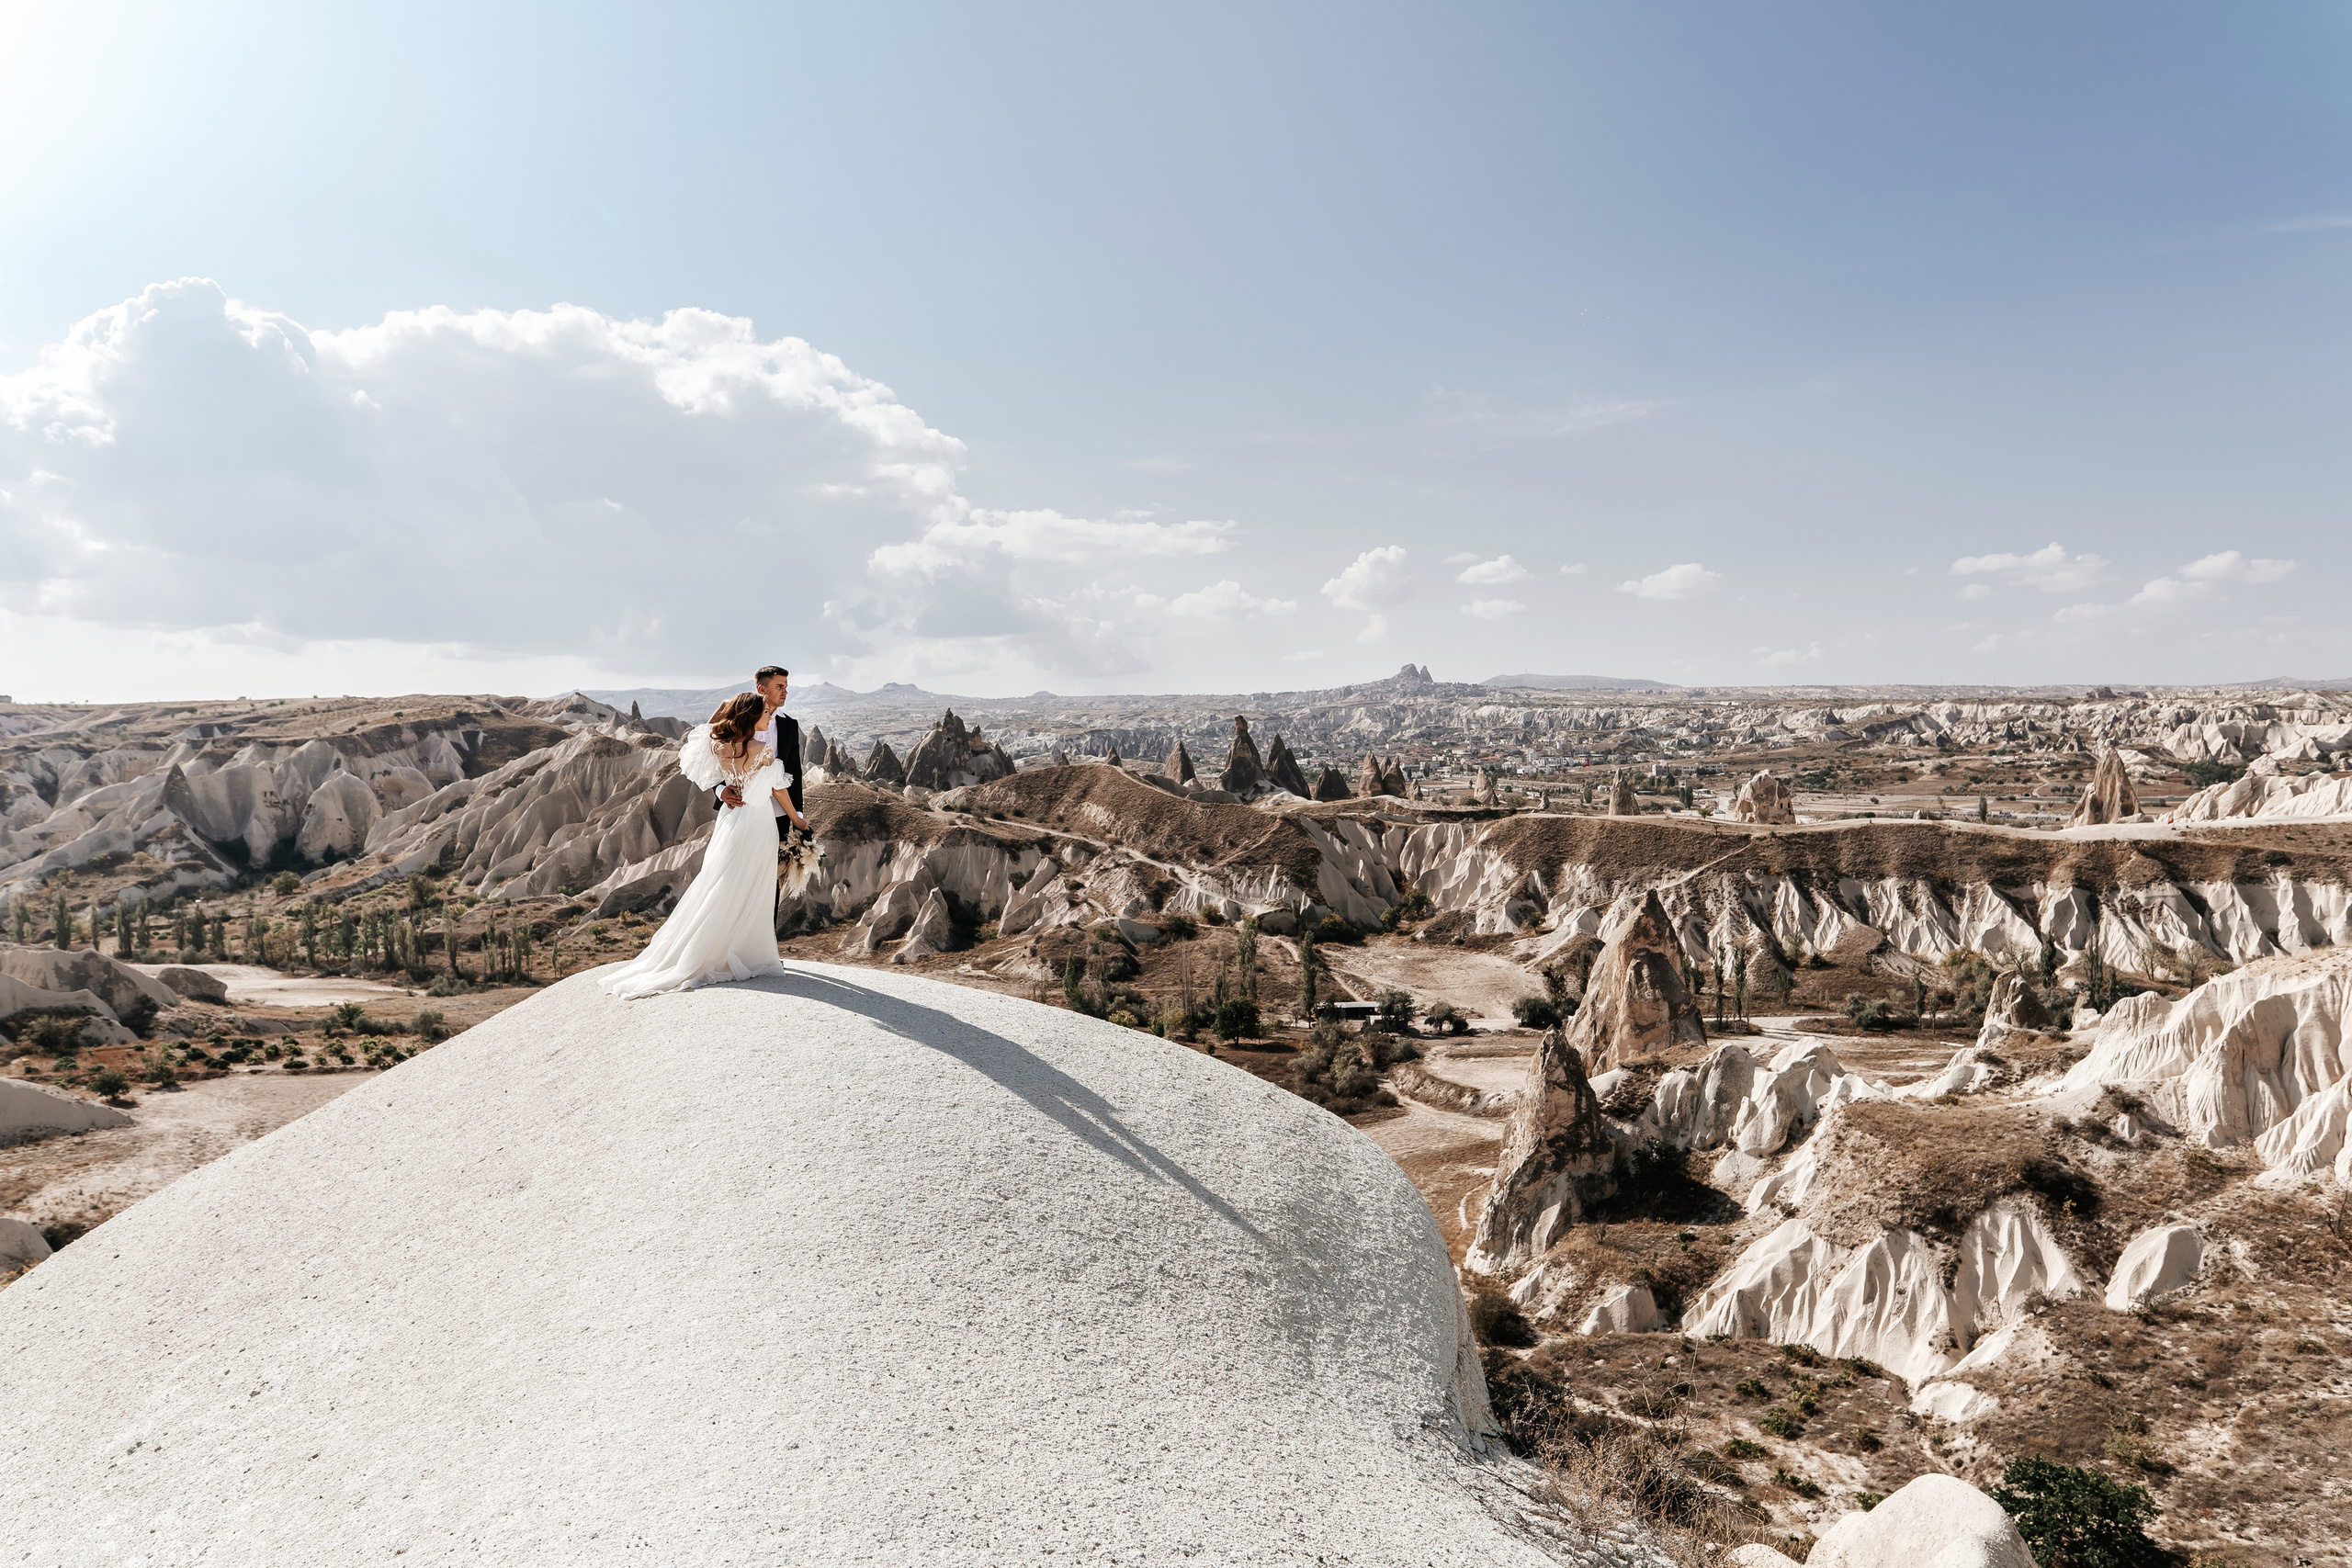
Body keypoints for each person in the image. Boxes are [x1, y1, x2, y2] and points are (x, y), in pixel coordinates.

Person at [596, 690, 808, 999]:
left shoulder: (720, 745)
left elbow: (704, 736)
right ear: (750, 717)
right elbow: (778, 789)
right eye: (763, 713)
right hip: (758, 823)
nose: (768, 717)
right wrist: (798, 820)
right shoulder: (762, 749)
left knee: (722, 881)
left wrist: (723, 785)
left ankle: (714, 946)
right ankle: (743, 951)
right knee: (752, 883)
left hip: (731, 820)